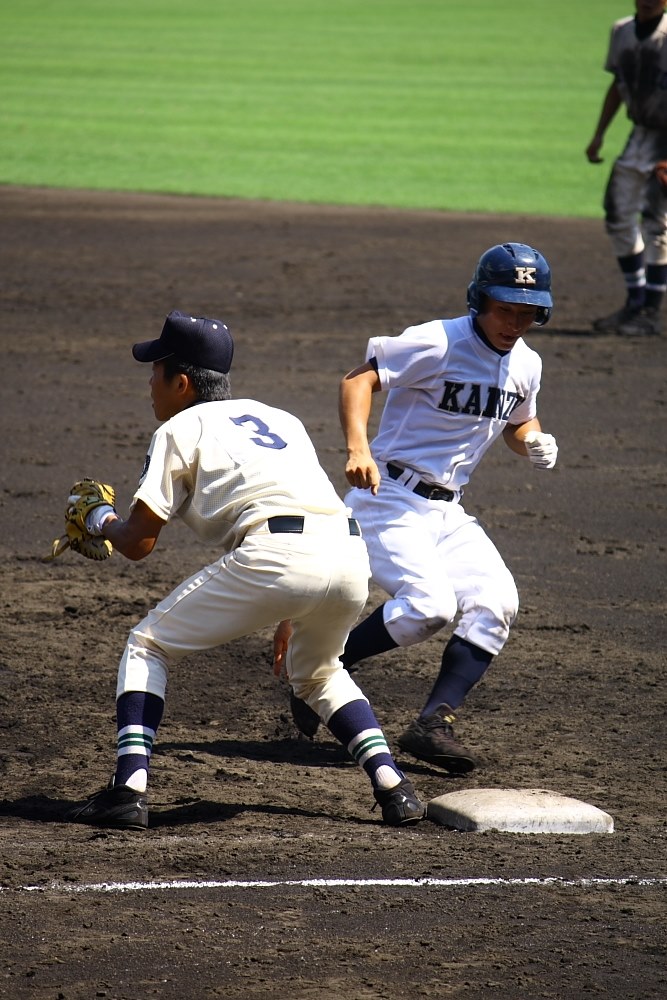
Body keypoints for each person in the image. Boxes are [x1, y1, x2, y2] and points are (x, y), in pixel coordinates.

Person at [64, 310, 425, 829]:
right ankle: (394, 787)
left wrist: (99, 519)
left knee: (148, 645)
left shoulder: (180, 428)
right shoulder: (282, 419)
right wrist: (295, 606)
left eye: (155, 370)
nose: (149, 383)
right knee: (320, 672)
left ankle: (128, 789)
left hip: (277, 558)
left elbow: (139, 542)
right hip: (347, 558)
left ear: (181, 382)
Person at [284, 243, 559, 774]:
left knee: (497, 602)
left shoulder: (526, 364)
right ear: (480, 300)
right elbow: (358, 379)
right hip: (387, 499)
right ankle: (319, 667)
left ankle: (433, 722)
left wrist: (534, 441)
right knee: (430, 605)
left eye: (527, 313)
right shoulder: (437, 340)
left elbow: (518, 422)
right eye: (506, 310)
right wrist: (358, 449)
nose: (515, 323)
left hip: (448, 512)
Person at [585, 0, 667, 338]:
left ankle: (650, 312)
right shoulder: (621, 31)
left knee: (657, 224)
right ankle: (634, 302)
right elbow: (618, 87)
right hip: (638, 137)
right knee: (618, 217)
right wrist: (599, 134)